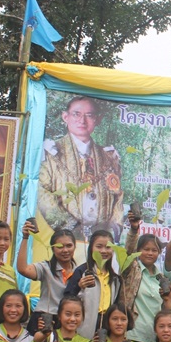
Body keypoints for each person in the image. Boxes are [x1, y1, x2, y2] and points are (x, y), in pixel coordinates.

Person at [38, 96, 123, 240]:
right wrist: (70, 228)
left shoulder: (109, 157)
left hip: (101, 242)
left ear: (97, 119)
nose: (82, 121)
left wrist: (111, 230)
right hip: (64, 240)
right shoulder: (51, 153)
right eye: (76, 114)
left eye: (89, 115)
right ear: (65, 117)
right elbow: (41, 193)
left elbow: (118, 197)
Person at [121, 212, 171, 342]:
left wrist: (168, 299)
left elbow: (167, 310)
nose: (150, 253)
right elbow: (128, 252)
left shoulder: (161, 278)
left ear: (159, 253)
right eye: (146, 249)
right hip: (132, 334)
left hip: (153, 337)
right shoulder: (132, 270)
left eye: (154, 250)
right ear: (138, 251)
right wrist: (134, 229)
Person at [17, 224, 77, 337]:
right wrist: (25, 237)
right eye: (60, 246)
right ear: (52, 248)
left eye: (69, 246)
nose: (65, 250)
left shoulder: (79, 272)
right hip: (43, 318)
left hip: (67, 322)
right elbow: (23, 269)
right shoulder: (45, 267)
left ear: (75, 246)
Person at [64, 229, 121, 340]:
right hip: (84, 327)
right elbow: (67, 299)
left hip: (106, 327)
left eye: (108, 247)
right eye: (99, 246)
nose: (103, 251)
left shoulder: (115, 278)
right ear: (91, 248)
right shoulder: (82, 272)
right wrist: (79, 287)